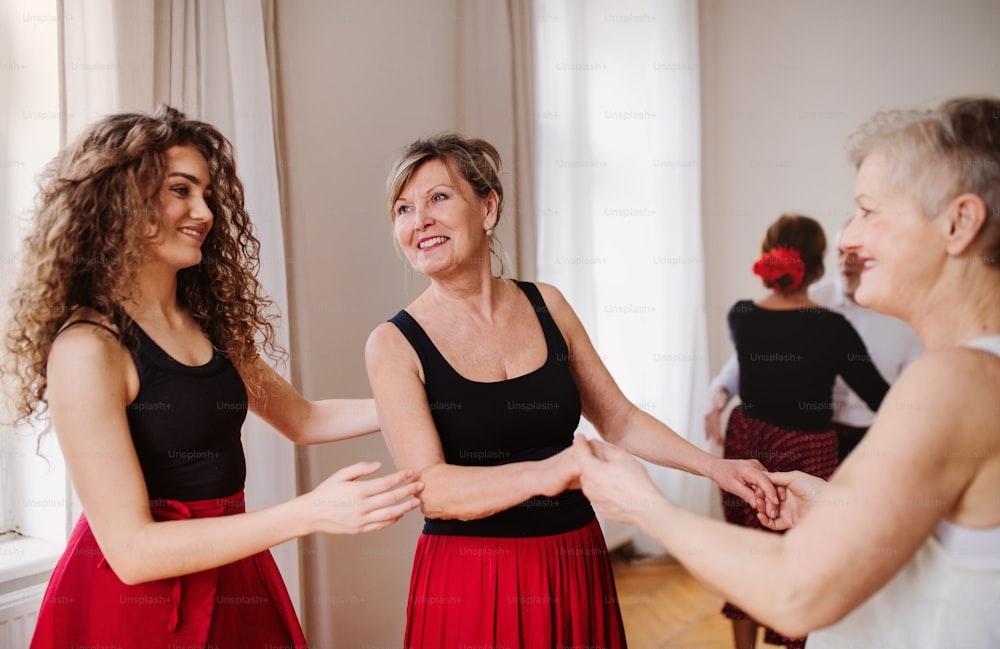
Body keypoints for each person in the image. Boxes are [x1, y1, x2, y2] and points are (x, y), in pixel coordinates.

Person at [575, 96, 1000, 648]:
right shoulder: (971, 376)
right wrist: (833, 505)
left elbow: (797, 594)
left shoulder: (956, 382)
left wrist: (643, 505)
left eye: (869, 210)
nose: (848, 238)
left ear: (959, 223)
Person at [0, 106, 422, 649]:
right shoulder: (87, 350)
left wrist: (430, 395)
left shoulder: (209, 322)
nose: (203, 211)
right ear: (122, 200)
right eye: (181, 190)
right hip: (136, 613)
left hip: (234, 576)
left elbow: (303, 418)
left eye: (206, 194)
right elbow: (131, 553)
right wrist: (310, 512)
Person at [364, 133, 781, 649]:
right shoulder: (392, 344)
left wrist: (715, 467)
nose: (419, 220)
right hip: (471, 581)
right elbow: (432, 489)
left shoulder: (548, 305)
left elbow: (620, 420)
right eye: (403, 209)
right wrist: (556, 470)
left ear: (487, 207)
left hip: (573, 560)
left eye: (438, 198)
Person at [708, 214, 890, 649]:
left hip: (744, 443)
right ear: (817, 266)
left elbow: (748, 371)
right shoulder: (832, 327)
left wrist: (717, 398)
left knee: (746, 554)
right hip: (806, 451)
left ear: (766, 257)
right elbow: (881, 396)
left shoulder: (742, 315)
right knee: (807, 560)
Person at [705, 228, 922, 461]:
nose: (845, 262)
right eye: (840, 252)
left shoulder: (905, 318)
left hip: (869, 439)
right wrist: (722, 389)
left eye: (856, 254)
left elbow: (908, 390)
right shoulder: (814, 299)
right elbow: (748, 357)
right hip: (810, 440)